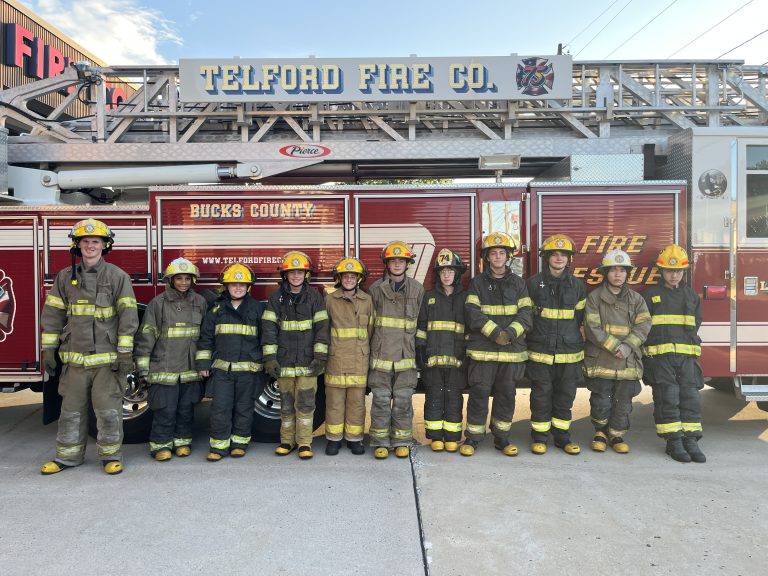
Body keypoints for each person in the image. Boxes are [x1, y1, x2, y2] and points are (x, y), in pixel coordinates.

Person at [40, 218, 138, 475]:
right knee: (71, 412)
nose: (91, 246)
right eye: (86, 241)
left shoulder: (117, 277)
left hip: (106, 361)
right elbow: (53, 315)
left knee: (108, 412)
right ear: (78, 245)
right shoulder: (65, 278)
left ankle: (111, 457)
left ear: (105, 246)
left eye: (96, 242)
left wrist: (125, 354)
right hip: (75, 361)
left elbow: (128, 318)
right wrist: (48, 348)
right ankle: (67, 457)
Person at [462, 232, 532, 457]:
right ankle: (473, 438)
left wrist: (510, 333)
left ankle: (501, 438)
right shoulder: (478, 283)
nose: (498, 257)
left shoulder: (519, 284)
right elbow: (471, 312)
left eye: (502, 253)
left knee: (506, 396)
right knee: (479, 394)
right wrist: (495, 333)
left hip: (510, 352)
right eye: (494, 253)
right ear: (487, 258)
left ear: (508, 256)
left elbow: (526, 314)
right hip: (484, 351)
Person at [134, 258, 208, 461]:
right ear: (171, 280)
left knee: (186, 410)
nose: (183, 282)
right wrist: (144, 369)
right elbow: (147, 335)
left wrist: (203, 364)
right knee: (165, 410)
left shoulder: (200, 303)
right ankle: (160, 446)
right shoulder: (158, 303)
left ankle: (183, 442)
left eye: (187, 278)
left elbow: (205, 336)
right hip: (163, 370)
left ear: (192, 280)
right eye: (179, 278)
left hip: (190, 370)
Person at [642, 244, 707, 463]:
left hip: (686, 358)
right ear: (661, 271)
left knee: (690, 397)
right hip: (660, 359)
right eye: (670, 271)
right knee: (667, 398)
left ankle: (691, 440)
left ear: (684, 272)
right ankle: (673, 442)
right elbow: (643, 326)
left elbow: (695, 325)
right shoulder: (650, 295)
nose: (674, 274)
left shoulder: (691, 296)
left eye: (678, 271)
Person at [262, 251, 329, 460]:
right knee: (286, 404)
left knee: (306, 405)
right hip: (284, 363)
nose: (296, 276)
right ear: (286, 276)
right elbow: (269, 329)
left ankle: (304, 443)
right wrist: (270, 358)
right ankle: (287, 441)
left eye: (300, 272)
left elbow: (322, 328)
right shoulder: (276, 299)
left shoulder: (315, 298)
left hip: (308, 363)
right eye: (292, 273)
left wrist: (320, 357)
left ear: (306, 275)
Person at [584, 249, 651, 454]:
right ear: (606, 273)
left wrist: (628, 346)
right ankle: (600, 433)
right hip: (602, 359)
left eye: (622, 270)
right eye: (613, 270)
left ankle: (617, 435)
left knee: (623, 402)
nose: (618, 274)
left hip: (627, 361)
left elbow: (644, 324)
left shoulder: (637, 299)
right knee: (601, 400)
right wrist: (615, 346)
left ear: (627, 274)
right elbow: (591, 327)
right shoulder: (594, 298)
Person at [526, 234, 587, 455]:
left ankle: (562, 437)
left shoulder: (578, 286)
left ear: (569, 259)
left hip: (569, 353)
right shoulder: (533, 284)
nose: (559, 258)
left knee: (565, 396)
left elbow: (580, 319)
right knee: (541, 395)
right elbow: (527, 317)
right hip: (541, 351)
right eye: (555, 254)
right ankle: (540, 437)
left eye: (563, 255)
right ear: (547, 258)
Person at [196, 263, 264, 461]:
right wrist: (203, 364)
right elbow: (206, 338)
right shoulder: (217, 310)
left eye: (242, 285)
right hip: (222, 371)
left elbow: (265, 338)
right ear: (226, 286)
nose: (238, 288)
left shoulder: (257, 309)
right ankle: (218, 446)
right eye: (234, 284)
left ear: (248, 287)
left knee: (244, 408)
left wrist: (264, 363)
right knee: (220, 408)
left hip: (248, 370)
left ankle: (239, 444)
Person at [367, 241, 425, 460]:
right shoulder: (375, 290)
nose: (398, 264)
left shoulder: (417, 290)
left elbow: (421, 323)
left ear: (407, 264)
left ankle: (401, 440)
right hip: (381, 357)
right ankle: (380, 442)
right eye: (394, 260)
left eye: (402, 260)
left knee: (403, 401)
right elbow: (369, 325)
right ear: (387, 264)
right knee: (380, 400)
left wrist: (418, 352)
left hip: (405, 357)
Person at [416, 248, 467, 453]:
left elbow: (471, 330)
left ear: (457, 274)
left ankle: (453, 437)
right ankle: (436, 437)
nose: (446, 275)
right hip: (433, 361)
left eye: (450, 271)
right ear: (438, 274)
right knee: (434, 397)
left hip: (457, 361)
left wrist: (467, 354)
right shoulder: (428, 298)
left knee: (454, 397)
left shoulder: (466, 299)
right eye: (443, 271)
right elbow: (421, 327)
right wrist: (420, 350)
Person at [323, 257, 373, 456]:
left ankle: (354, 439)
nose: (349, 280)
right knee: (334, 403)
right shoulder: (330, 299)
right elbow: (324, 329)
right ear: (339, 278)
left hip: (358, 359)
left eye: (353, 276)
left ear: (358, 279)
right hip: (335, 359)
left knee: (356, 403)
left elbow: (371, 330)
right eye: (346, 276)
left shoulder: (367, 300)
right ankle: (333, 440)